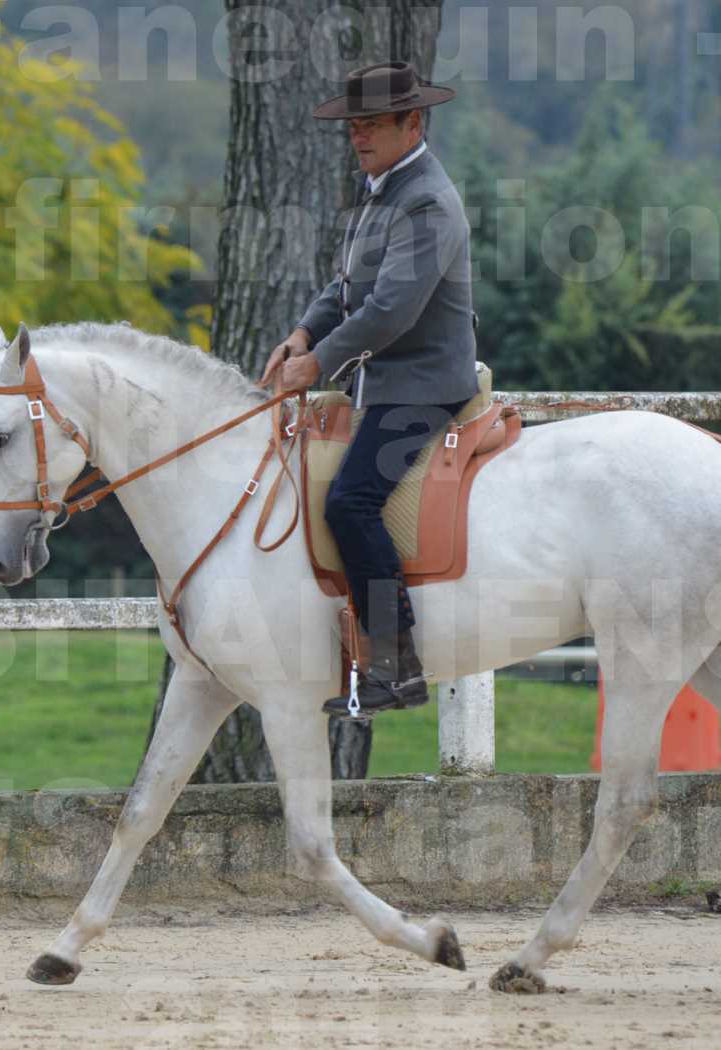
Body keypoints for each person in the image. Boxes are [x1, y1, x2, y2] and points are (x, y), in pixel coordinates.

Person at [260, 61, 478, 717]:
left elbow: (390, 311)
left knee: (351, 503)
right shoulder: (379, 187)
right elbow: (347, 285)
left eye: (373, 125)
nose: (359, 136)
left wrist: (317, 363)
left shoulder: (426, 201)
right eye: (354, 125)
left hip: (422, 384)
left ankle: (393, 664)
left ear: (413, 122)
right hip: (381, 379)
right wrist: (303, 332)